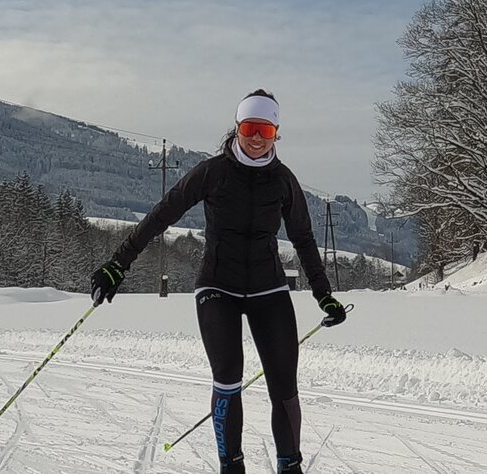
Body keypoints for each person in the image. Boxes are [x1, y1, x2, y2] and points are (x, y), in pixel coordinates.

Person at [90, 89, 348, 474]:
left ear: (276, 132)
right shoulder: (212, 172)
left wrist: (323, 294)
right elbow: (162, 215)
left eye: (265, 129)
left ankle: (289, 466)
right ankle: (232, 467)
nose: (256, 137)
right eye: (249, 127)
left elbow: (304, 239)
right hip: (217, 287)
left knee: (283, 384)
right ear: (238, 127)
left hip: (269, 288)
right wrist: (117, 265)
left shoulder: (284, 181)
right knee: (228, 376)